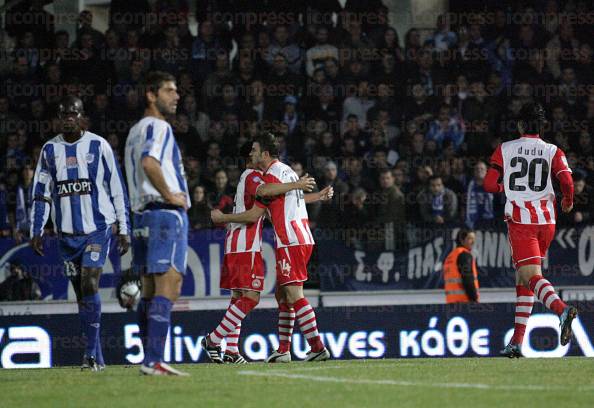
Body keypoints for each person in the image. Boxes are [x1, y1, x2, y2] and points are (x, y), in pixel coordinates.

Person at [211, 132, 333, 362]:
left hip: (290, 239)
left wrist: (222, 218)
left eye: (255, 150)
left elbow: (265, 194)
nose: (252, 154)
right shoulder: (286, 171)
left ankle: (317, 347)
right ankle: (283, 350)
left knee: (293, 293)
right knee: (282, 294)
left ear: (265, 154)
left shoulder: (271, 175)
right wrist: (317, 196)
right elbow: (291, 197)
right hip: (299, 236)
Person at [30, 96, 130, 371]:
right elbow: (41, 193)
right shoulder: (50, 150)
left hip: (97, 230)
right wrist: (36, 229)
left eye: (73, 113)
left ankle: (88, 355)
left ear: (82, 116)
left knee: (89, 283)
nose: (68, 117)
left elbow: (117, 187)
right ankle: (97, 357)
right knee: (81, 295)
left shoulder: (98, 145)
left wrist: (124, 226)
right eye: (63, 113)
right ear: (58, 118)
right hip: (66, 236)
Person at [484, 103, 577, 358]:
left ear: (520, 125)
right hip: (547, 221)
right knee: (524, 279)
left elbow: (489, 184)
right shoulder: (552, 150)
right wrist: (568, 201)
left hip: (521, 221)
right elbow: (567, 181)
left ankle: (561, 310)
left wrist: (507, 190)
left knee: (531, 276)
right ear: (542, 125)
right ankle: (516, 342)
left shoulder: (505, 149)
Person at [124, 71, 190, 376]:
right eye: (169, 90)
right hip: (164, 213)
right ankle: (153, 360)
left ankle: (150, 360)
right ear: (151, 95)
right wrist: (171, 196)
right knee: (170, 284)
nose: (176, 96)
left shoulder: (134, 130)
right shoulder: (159, 127)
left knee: (149, 290)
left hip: (142, 216)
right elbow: (149, 163)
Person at [443, 229, 479, 303]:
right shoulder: (464, 255)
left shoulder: (450, 257)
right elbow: (467, 278)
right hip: (465, 302)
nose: (473, 242)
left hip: (451, 302)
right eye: (470, 238)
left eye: (474, 239)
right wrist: (474, 299)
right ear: (461, 240)